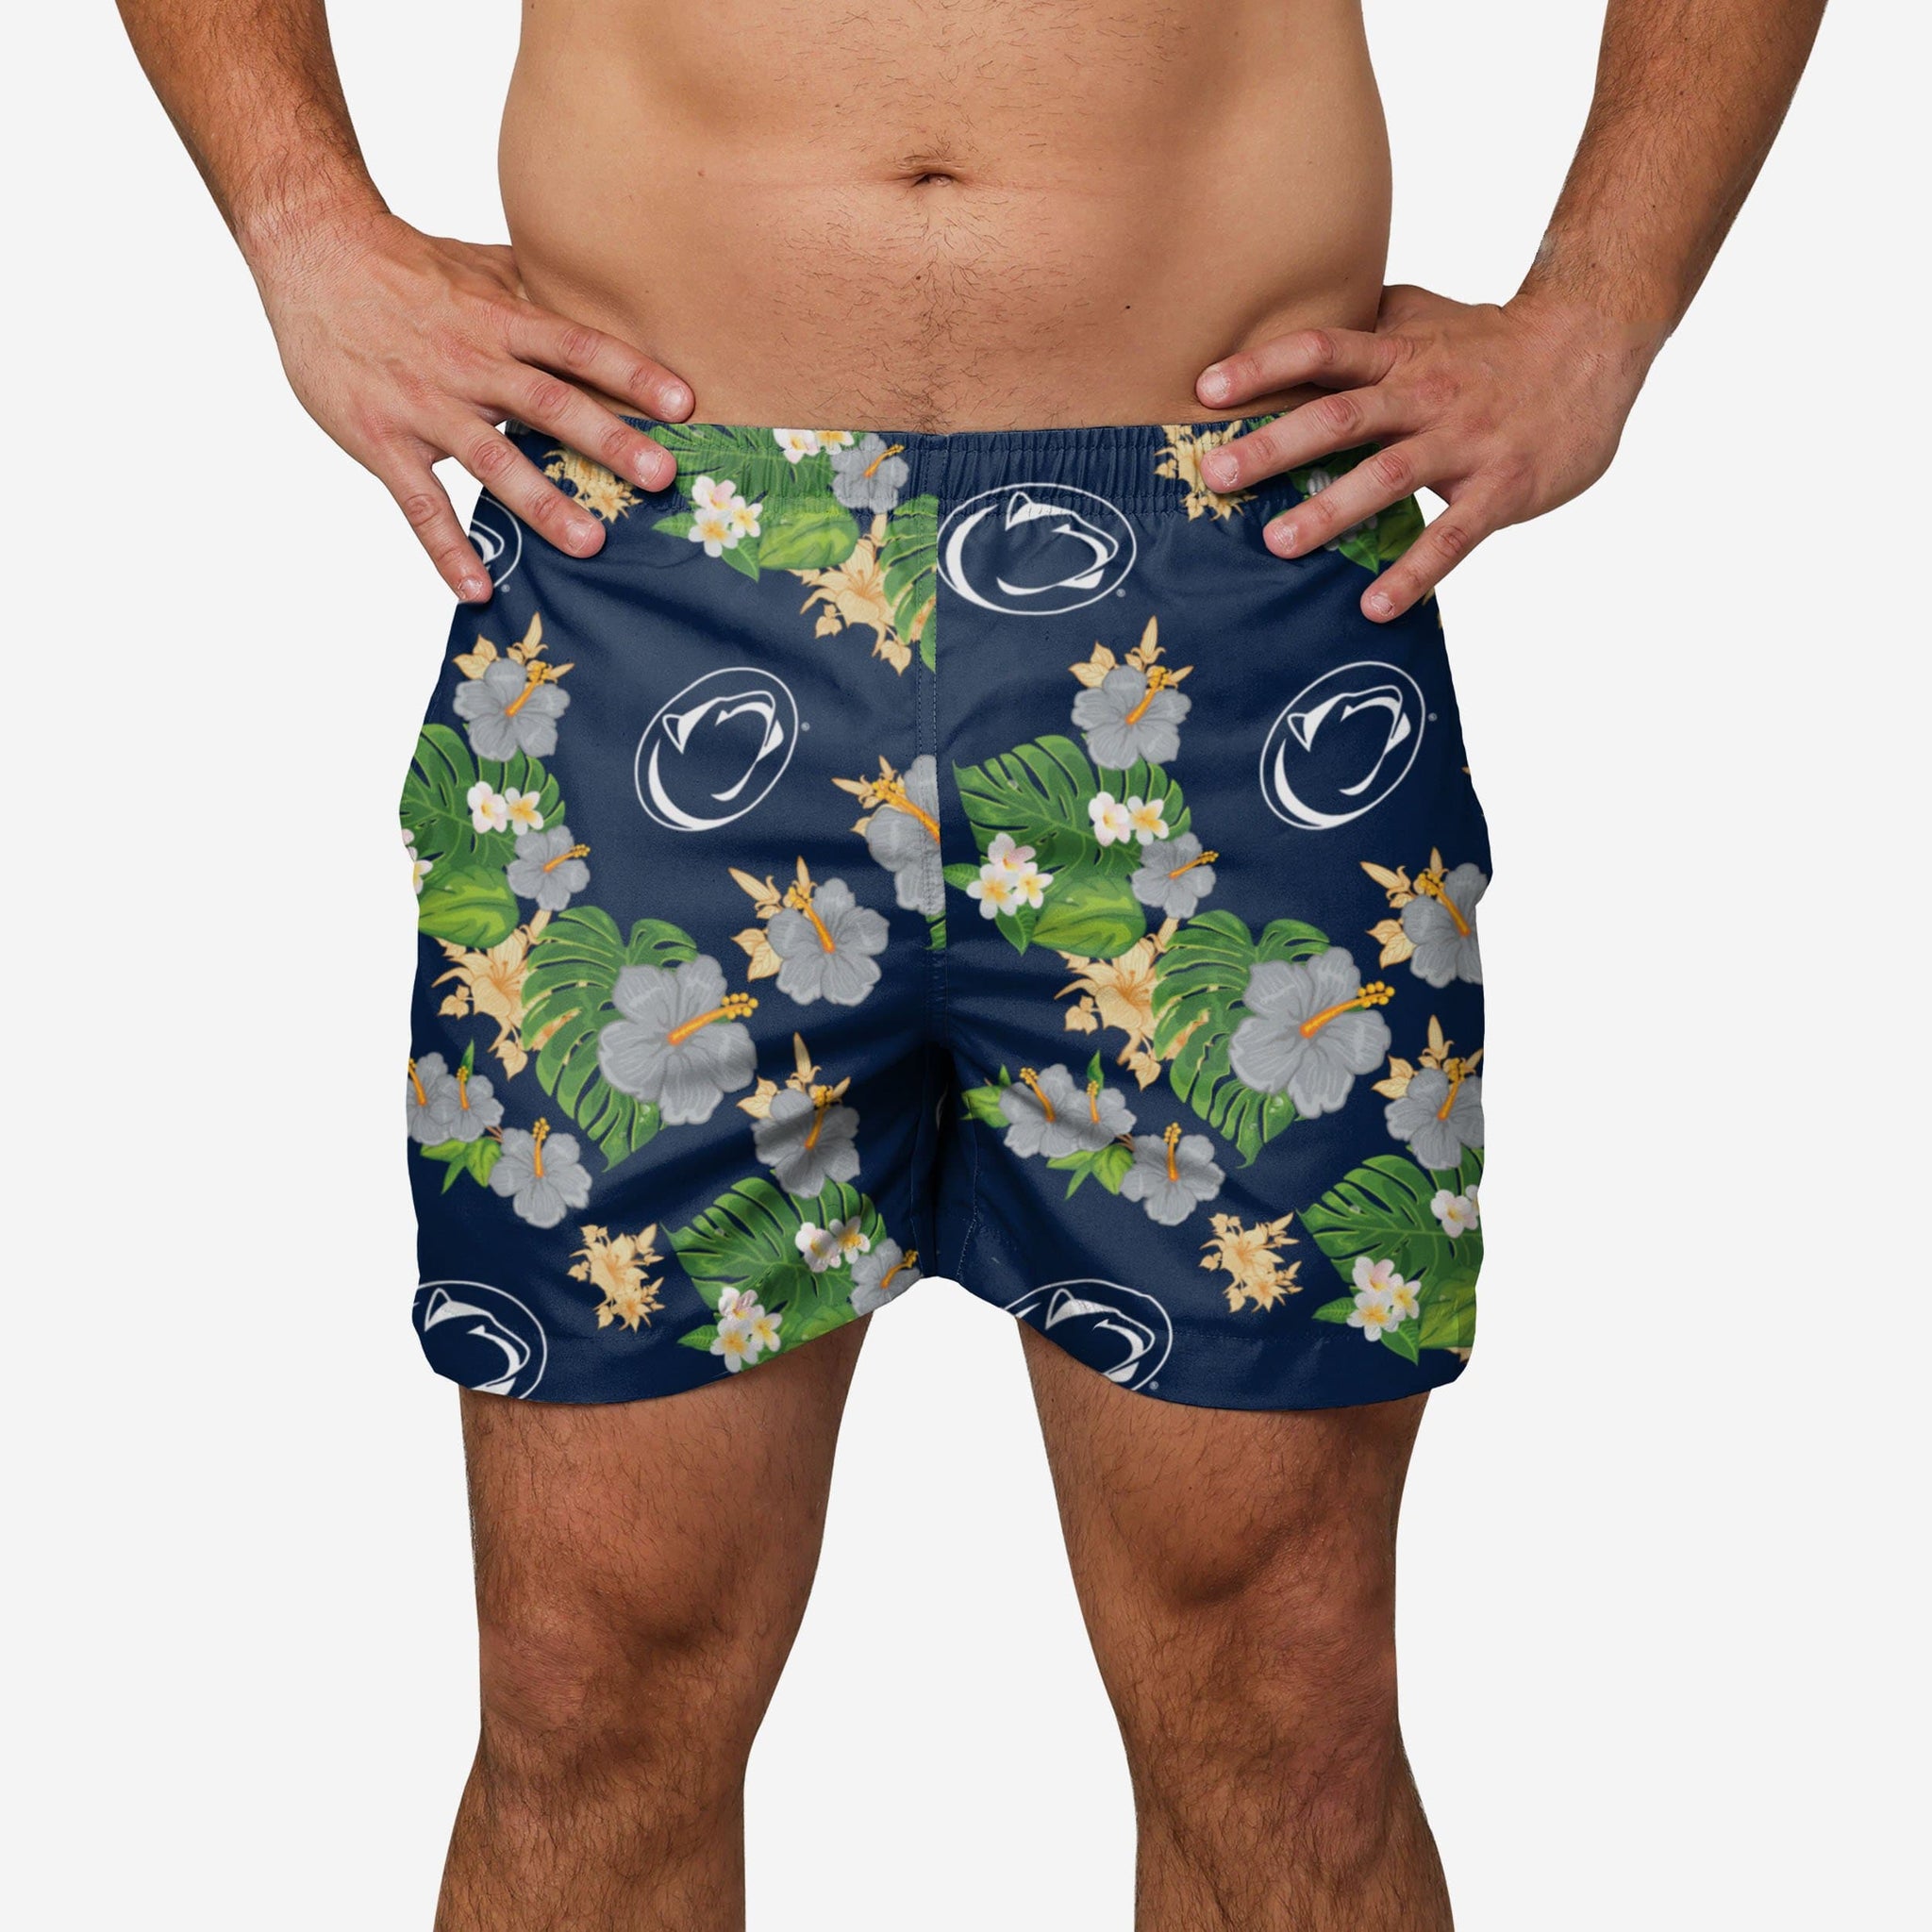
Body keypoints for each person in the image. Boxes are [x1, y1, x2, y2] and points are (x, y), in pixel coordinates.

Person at [116, 4, 1824, 1925]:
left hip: (1224, 605)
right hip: (655, 562)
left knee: (1283, 1697)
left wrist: (1602, 306)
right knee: (591, 1682)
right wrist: (300, 220)